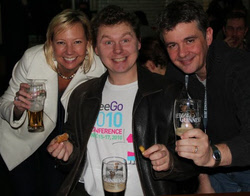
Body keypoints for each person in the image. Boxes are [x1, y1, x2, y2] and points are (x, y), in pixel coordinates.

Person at [47, 5, 198, 196]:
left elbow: (193, 161)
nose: (118, 50)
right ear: (95, 49)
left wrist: (170, 162)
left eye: (125, 40)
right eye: (108, 42)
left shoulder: (170, 92)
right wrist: (66, 152)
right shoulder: (82, 95)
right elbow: (73, 147)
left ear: (138, 43)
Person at [0, 9, 105, 196]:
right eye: (61, 43)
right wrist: (17, 109)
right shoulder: (32, 59)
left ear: (88, 42)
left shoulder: (99, 68)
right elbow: (4, 102)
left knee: (58, 190)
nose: (70, 51)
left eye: (77, 42)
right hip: (22, 140)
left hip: (64, 141)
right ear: (51, 43)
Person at [157, 0, 250, 193]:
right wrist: (204, 178)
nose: (182, 53)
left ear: (208, 36)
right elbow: (184, 134)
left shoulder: (240, 68)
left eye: (189, 40)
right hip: (214, 173)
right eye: (173, 45)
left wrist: (213, 155)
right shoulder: (175, 74)